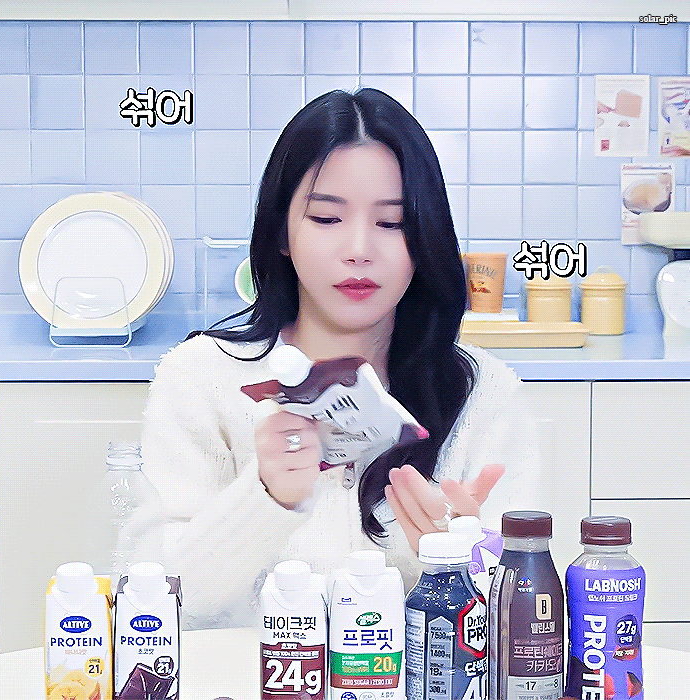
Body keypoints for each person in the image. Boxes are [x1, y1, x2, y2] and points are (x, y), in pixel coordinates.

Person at [140, 88, 542, 630]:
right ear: (282, 232)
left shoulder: (485, 395)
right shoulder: (199, 379)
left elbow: (527, 635)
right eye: (327, 218)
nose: (359, 249)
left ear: (424, 238)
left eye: (392, 223)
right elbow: (160, 606)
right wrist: (267, 499)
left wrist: (469, 565)